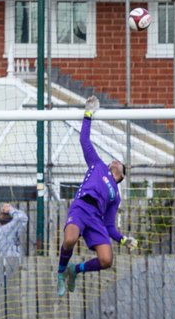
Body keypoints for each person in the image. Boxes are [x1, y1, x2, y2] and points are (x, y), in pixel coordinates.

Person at [56, 96, 138, 296]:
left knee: (106, 260)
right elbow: (84, 140)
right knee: (70, 239)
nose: (115, 161)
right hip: (81, 207)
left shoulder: (115, 195)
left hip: (95, 218)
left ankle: (75, 270)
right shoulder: (97, 164)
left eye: (120, 162)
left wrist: (123, 240)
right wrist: (88, 113)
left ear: (122, 175)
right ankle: (60, 273)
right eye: (114, 160)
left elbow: (109, 226)